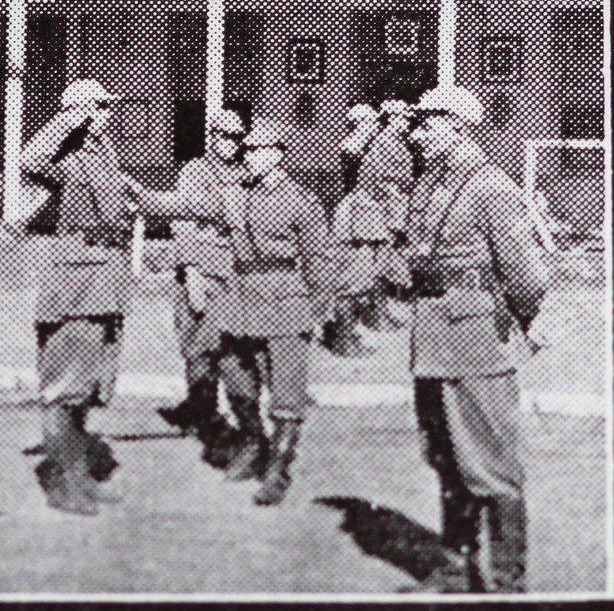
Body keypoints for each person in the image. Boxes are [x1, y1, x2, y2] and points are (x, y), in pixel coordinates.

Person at [401, 85, 548, 593]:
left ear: (457, 125)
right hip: (434, 340)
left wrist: (525, 320)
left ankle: (508, 583)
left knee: (492, 463)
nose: (418, 134)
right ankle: (455, 570)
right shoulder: (429, 184)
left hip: (477, 342)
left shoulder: (490, 186)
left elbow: (525, 273)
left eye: (428, 123)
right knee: (446, 456)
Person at [125, 105, 268, 480]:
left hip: (233, 275)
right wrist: (190, 271)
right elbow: (182, 224)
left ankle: (241, 432)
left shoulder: (244, 175)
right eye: (223, 135)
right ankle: (206, 419)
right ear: (212, 136)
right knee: (196, 351)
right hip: (200, 272)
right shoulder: (196, 171)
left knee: (232, 354)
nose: (230, 144)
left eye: (237, 138)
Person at [203, 118, 331, 505]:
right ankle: (254, 441)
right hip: (241, 301)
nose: (250, 158)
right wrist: (144, 198)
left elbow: (317, 260)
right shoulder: (234, 194)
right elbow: (191, 205)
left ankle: (279, 466)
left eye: (258, 151)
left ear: (276, 156)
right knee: (238, 381)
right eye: (248, 151)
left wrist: (320, 311)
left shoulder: (301, 200)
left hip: (285, 303)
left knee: (286, 391)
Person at [21, 78, 133, 516]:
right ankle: (61, 480)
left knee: (87, 386)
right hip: (75, 284)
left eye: (109, 106)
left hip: (105, 281)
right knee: (63, 388)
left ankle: (79, 472)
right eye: (100, 107)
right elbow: (31, 160)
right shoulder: (68, 155)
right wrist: (67, 120)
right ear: (81, 112)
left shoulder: (105, 154)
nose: (109, 113)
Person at [326, 100, 413, 354]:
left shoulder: (367, 145)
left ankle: (353, 332)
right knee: (357, 277)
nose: (375, 126)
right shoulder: (362, 146)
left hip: (369, 215)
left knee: (369, 273)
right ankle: (344, 340)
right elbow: (382, 185)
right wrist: (396, 216)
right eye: (369, 122)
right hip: (362, 216)